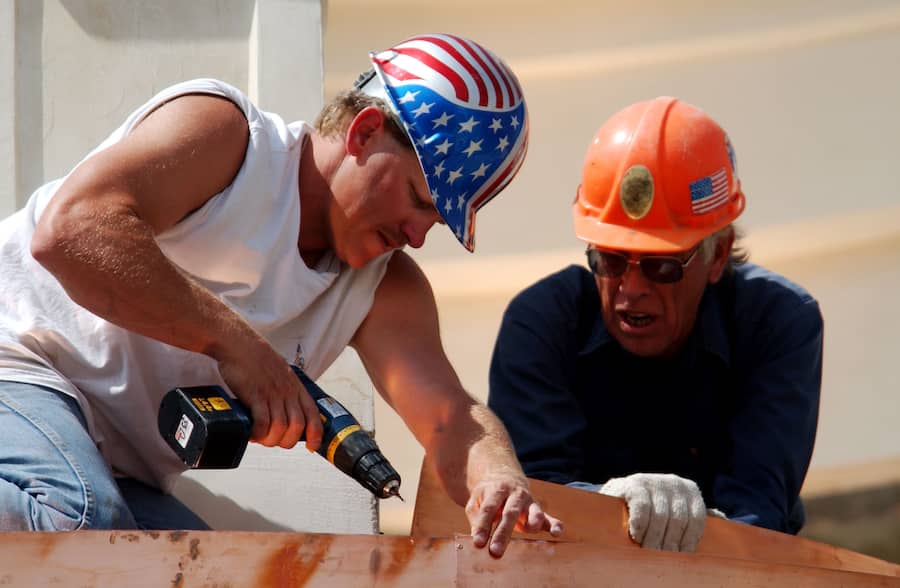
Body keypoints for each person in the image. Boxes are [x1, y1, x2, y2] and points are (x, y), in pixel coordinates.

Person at [0, 33, 561, 557]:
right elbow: (71, 232)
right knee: (77, 522)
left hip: (106, 466)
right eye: (418, 197)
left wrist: (498, 477)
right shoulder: (227, 137)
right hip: (18, 363)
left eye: (436, 222)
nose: (417, 235)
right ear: (365, 132)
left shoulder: (385, 286)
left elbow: (448, 417)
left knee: (202, 570)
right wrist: (240, 347)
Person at [488, 96, 822, 552]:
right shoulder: (542, 323)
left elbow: (758, 515)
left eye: (661, 267)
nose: (630, 290)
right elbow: (532, 500)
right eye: (609, 260)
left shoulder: (778, 322)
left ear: (718, 255)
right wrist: (610, 505)